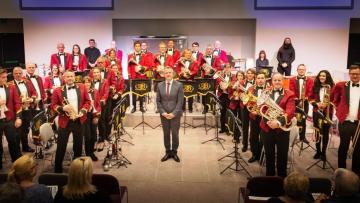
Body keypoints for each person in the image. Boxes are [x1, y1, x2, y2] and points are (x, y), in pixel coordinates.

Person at [51, 70, 91, 173]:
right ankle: (57, 169)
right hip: (65, 122)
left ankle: (76, 168)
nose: (70, 78)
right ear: (64, 78)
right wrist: (62, 108)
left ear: (74, 77)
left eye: (71, 76)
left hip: (78, 120)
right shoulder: (57, 90)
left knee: (78, 145)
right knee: (61, 146)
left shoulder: (82, 87)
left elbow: (88, 101)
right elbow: (53, 105)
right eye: (67, 77)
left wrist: (83, 110)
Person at [260, 73, 295, 177]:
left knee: (282, 156)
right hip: (267, 128)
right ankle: (269, 177)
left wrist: (278, 122)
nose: (277, 82)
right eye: (275, 80)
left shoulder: (290, 94)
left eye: (279, 80)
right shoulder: (266, 92)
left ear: (283, 81)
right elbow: (262, 107)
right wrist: (269, 122)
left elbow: (290, 111)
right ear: (272, 81)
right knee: (269, 154)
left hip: (282, 130)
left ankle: (281, 178)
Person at [332, 65, 360, 174]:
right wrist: (339, 108)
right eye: (352, 73)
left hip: (358, 123)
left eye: (357, 74)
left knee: (358, 149)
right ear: (349, 74)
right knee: (343, 146)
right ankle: (341, 172)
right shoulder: (341, 85)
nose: (355, 76)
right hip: (345, 122)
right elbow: (333, 97)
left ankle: (356, 173)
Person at [156, 67, 184, 162]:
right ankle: (168, 152)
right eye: (166, 73)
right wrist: (163, 112)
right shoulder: (159, 85)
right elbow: (158, 101)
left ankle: (174, 152)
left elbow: (180, 102)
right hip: (164, 114)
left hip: (175, 115)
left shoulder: (179, 85)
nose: (168, 74)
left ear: (173, 74)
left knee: (175, 134)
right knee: (166, 134)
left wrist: (174, 113)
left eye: (170, 73)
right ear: (164, 74)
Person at [310, 70, 334, 161]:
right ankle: (318, 151)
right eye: (320, 76)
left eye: (323, 76)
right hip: (317, 112)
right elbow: (310, 98)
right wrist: (317, 104)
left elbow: (335, 99)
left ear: (327, 77)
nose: (321, 77)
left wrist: (327, 104)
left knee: (325, 133)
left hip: (327, 113)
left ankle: (323, 153)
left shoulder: (332, 87)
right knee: (317, 132)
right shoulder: (315, 86)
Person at [0, 68, 22, 170]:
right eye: (2, 77)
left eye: (5, 77)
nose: (5, 79)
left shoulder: (11, 87)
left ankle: (17, 165)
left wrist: (18, 117)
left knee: (13, 142)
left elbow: (17, 103)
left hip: (9, 119)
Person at [12, 67, 37, 152]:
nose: (18, 75)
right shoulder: (10, 84)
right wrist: (21, 101)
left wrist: (32, 99)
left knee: (26, 129)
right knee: (17, 131)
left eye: (20, 73)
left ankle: (25, 147)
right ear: (13, 74)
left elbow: (34, 92)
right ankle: (17, 150)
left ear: (22, 74)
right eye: (16, 73)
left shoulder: (27, 82)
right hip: (16, 111)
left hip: (27, 110)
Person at [289, 64, 314, 144]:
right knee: (295, 119)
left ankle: (302, 137)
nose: (301, 70)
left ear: (305, 70)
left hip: (305, 102)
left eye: (303, 69)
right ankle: (293, 136)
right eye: (300, 69)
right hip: (295, 102)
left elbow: (310, 90)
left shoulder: (310, 80)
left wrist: (306, 97)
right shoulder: (292, 79)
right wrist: (295, 97)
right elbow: (291, 89)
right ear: (297, 70)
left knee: (303, 119)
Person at [247, 72, 267, 163]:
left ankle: (262, 155)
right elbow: (247, 101)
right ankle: (255, 154)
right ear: (256, 79)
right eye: (258, 78)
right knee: (253, 137)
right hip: (254, 116)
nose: (260, 80)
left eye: (262, 78)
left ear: (265, 79)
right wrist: (252, 110)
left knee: (263, 137)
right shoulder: (251, 88)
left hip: (265, 117)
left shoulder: (269, 89)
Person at [128, 41, 152, 113]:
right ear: (134, 47)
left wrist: (142, 68)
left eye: (139, 46)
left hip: (142, 76)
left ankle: (141, 107)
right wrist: (129, 74)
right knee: (134, 92)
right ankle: (134, 107)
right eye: (136, 46)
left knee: (142, 92)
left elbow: (148, 65)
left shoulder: (145, 55)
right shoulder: (130, 56)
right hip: (134, 76)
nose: (137, 47)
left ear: (140, 47)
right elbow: (128, 66)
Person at [175, 49, 200, 113]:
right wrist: (181, 73)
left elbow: (196, 70)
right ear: (184, 54)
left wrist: (189, 73)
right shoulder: (180, 61)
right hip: (182, 79)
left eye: (189, 53)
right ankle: (182, 108)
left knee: (190, 94)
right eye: (186, 53)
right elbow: (177, 69)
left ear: (191, 54)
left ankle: (190, 108)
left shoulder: (194, 62)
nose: (188, 54)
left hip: (190, 79)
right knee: (182, 94)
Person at [83, 76, 100, 161]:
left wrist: (96, 116)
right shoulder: (81, 92)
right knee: (88, 136)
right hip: (85, 116)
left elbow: (98, 105)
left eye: (89, 82)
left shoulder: (95, 92)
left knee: (94, 136)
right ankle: (88, 153)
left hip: (93, 114)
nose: (87, 84)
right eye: (85, 82)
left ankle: (91, 150)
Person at [240, 68, 256, 152]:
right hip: (244, 107)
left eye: (251, 73)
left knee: (253, 127)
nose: (249, 74)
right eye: (248, 73)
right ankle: (244, 144)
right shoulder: (242, 82)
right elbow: (238, 92)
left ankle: (252, 145)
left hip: (253, 108)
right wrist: (241, 95)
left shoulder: (257, 83)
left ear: (254, 74)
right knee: (244, 127)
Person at [228, 70, 245, 142]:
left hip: (242, 104)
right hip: (234, 103)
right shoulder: (232, 82)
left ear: (243, 76)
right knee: (234, 120)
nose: (240, 77)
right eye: (238, 75)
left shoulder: (245, 83)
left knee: (240, 120)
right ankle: (235, 136)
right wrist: (233, 94)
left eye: (241, 75)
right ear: (236, 76)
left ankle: (239, 135)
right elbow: (229, 93)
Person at [216, 63, 232, 134]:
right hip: (222, 96)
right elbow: (217, 81)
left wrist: (227, 86)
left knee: (228, 113)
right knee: (222, 112)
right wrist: (220, 84)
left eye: (229, 67)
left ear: (231, 68)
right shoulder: (220, 76)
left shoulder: (233, 76)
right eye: (226, 67)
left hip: (230, 97)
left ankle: (228, 129)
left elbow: (233, 84)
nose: (227, 69)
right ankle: (222, 128)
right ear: (224, 68)